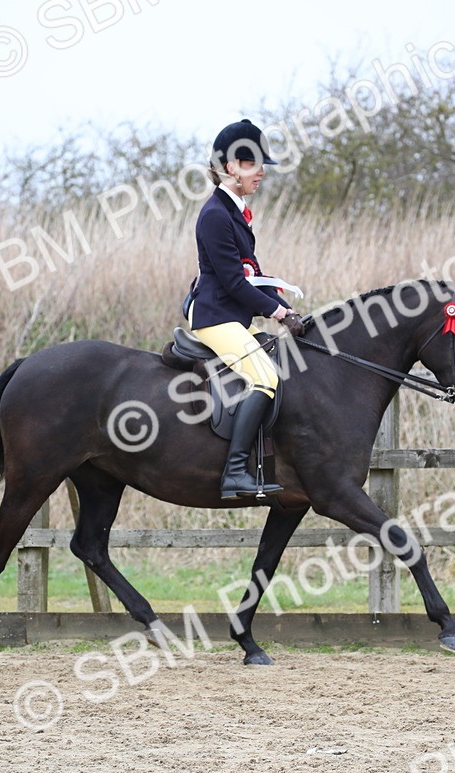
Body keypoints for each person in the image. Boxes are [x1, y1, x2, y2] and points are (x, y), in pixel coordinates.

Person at [185, 119, 303, 499]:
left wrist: (287, 310)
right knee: (265, 378)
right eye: (254, 164)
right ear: (231, 166)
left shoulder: (235, 212)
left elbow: (254, 275)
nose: (262, 172)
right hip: (215, 317)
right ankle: (234, 473)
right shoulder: (216, 215)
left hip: (232, 315)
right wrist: (278, 314)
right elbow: (234, 283)